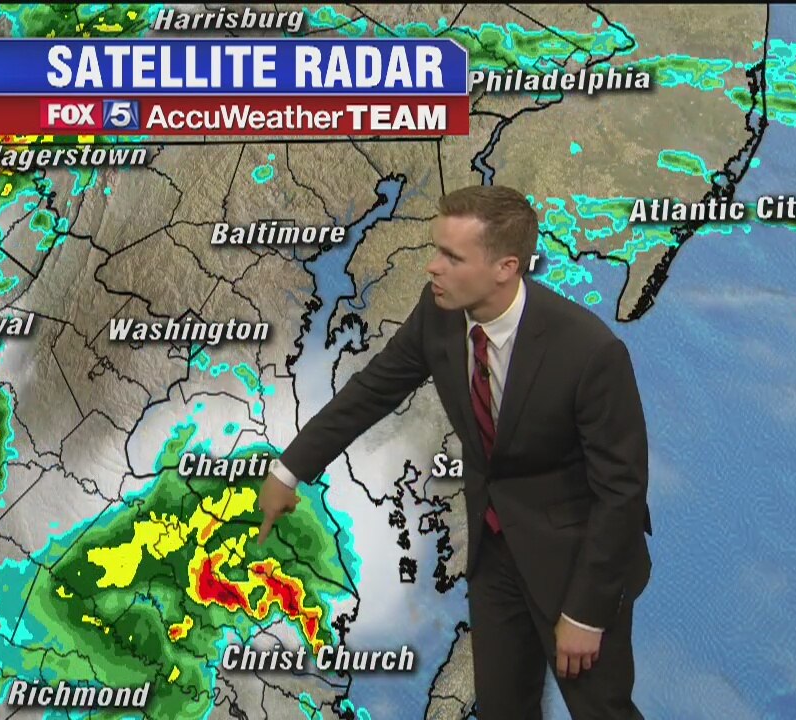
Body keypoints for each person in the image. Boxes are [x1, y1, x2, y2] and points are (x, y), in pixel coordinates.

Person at [256, 185, 653, 719]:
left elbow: (621, 493)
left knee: (601, 712)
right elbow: (372, 390)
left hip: (577, 562)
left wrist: (586, 614)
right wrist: (288, 470)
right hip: (496, 555)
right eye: (435, 250)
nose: (432, 267)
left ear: (505, 267)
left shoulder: (589, 353)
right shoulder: (439, 314)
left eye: (452, 256)